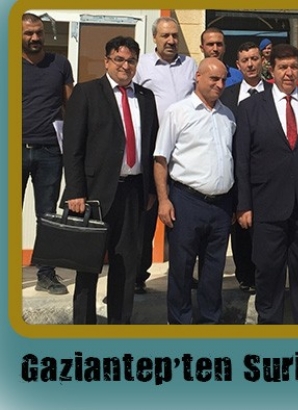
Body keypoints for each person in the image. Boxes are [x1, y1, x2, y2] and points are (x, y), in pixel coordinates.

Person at [62, 36, 159, 324]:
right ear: (107, 61)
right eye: (119, 59)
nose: (125, 66)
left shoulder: (146, 97)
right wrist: (75, 191)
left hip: (133, 193)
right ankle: (84, 328)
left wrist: (151, 190)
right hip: (94, 194)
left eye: (131, 61)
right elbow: (73, 147)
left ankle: (119, 327)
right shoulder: (87, 92)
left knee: (126, 265)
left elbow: (150, 145)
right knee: (88, 265)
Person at [235, 44, 298, 324]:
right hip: (267, 205)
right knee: (268, 273)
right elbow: (242, 160)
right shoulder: (250, 107)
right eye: (283, 67)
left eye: (294, 67)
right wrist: (244, 205)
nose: (289, 73)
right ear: (271, 70)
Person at [154, 58, 236, 325]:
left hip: (221, 205)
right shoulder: (178, 112)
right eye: (213, 79)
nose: (219, 84)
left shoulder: (228, 115)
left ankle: (210, 322)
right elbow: (161, 159)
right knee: (182, 268)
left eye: (223, 79)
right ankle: (180, 325)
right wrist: (164, 200)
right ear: (197, 77)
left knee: (213, 270)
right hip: (186, 201)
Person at [133, 16, 197, 294]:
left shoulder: (190, 65)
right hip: (151, 150)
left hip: (183, 151)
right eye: (165, 36)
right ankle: (137, 276)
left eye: (174, 36)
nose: (171, 41)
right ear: (154, 38)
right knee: (146, 218)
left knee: (184, 219)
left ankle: (183, 275)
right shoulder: (142, 65)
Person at [22, 13, 74, 295]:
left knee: (47, 216)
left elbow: (71, 106)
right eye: (28, 33)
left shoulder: (60, 64)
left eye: (39, 32)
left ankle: (46, 274)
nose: (35, 37)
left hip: (50, 151)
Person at [220, 42, 272, 295]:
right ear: (238, 66)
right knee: (240, 225)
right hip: (236, 170)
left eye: (254, 58)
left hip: (268, 172)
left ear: (262, 61)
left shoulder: (274, 91)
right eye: (245, 60)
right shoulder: (226, 96)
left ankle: (266, 273)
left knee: (266, 227)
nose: (250, 64)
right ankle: (245, 275)